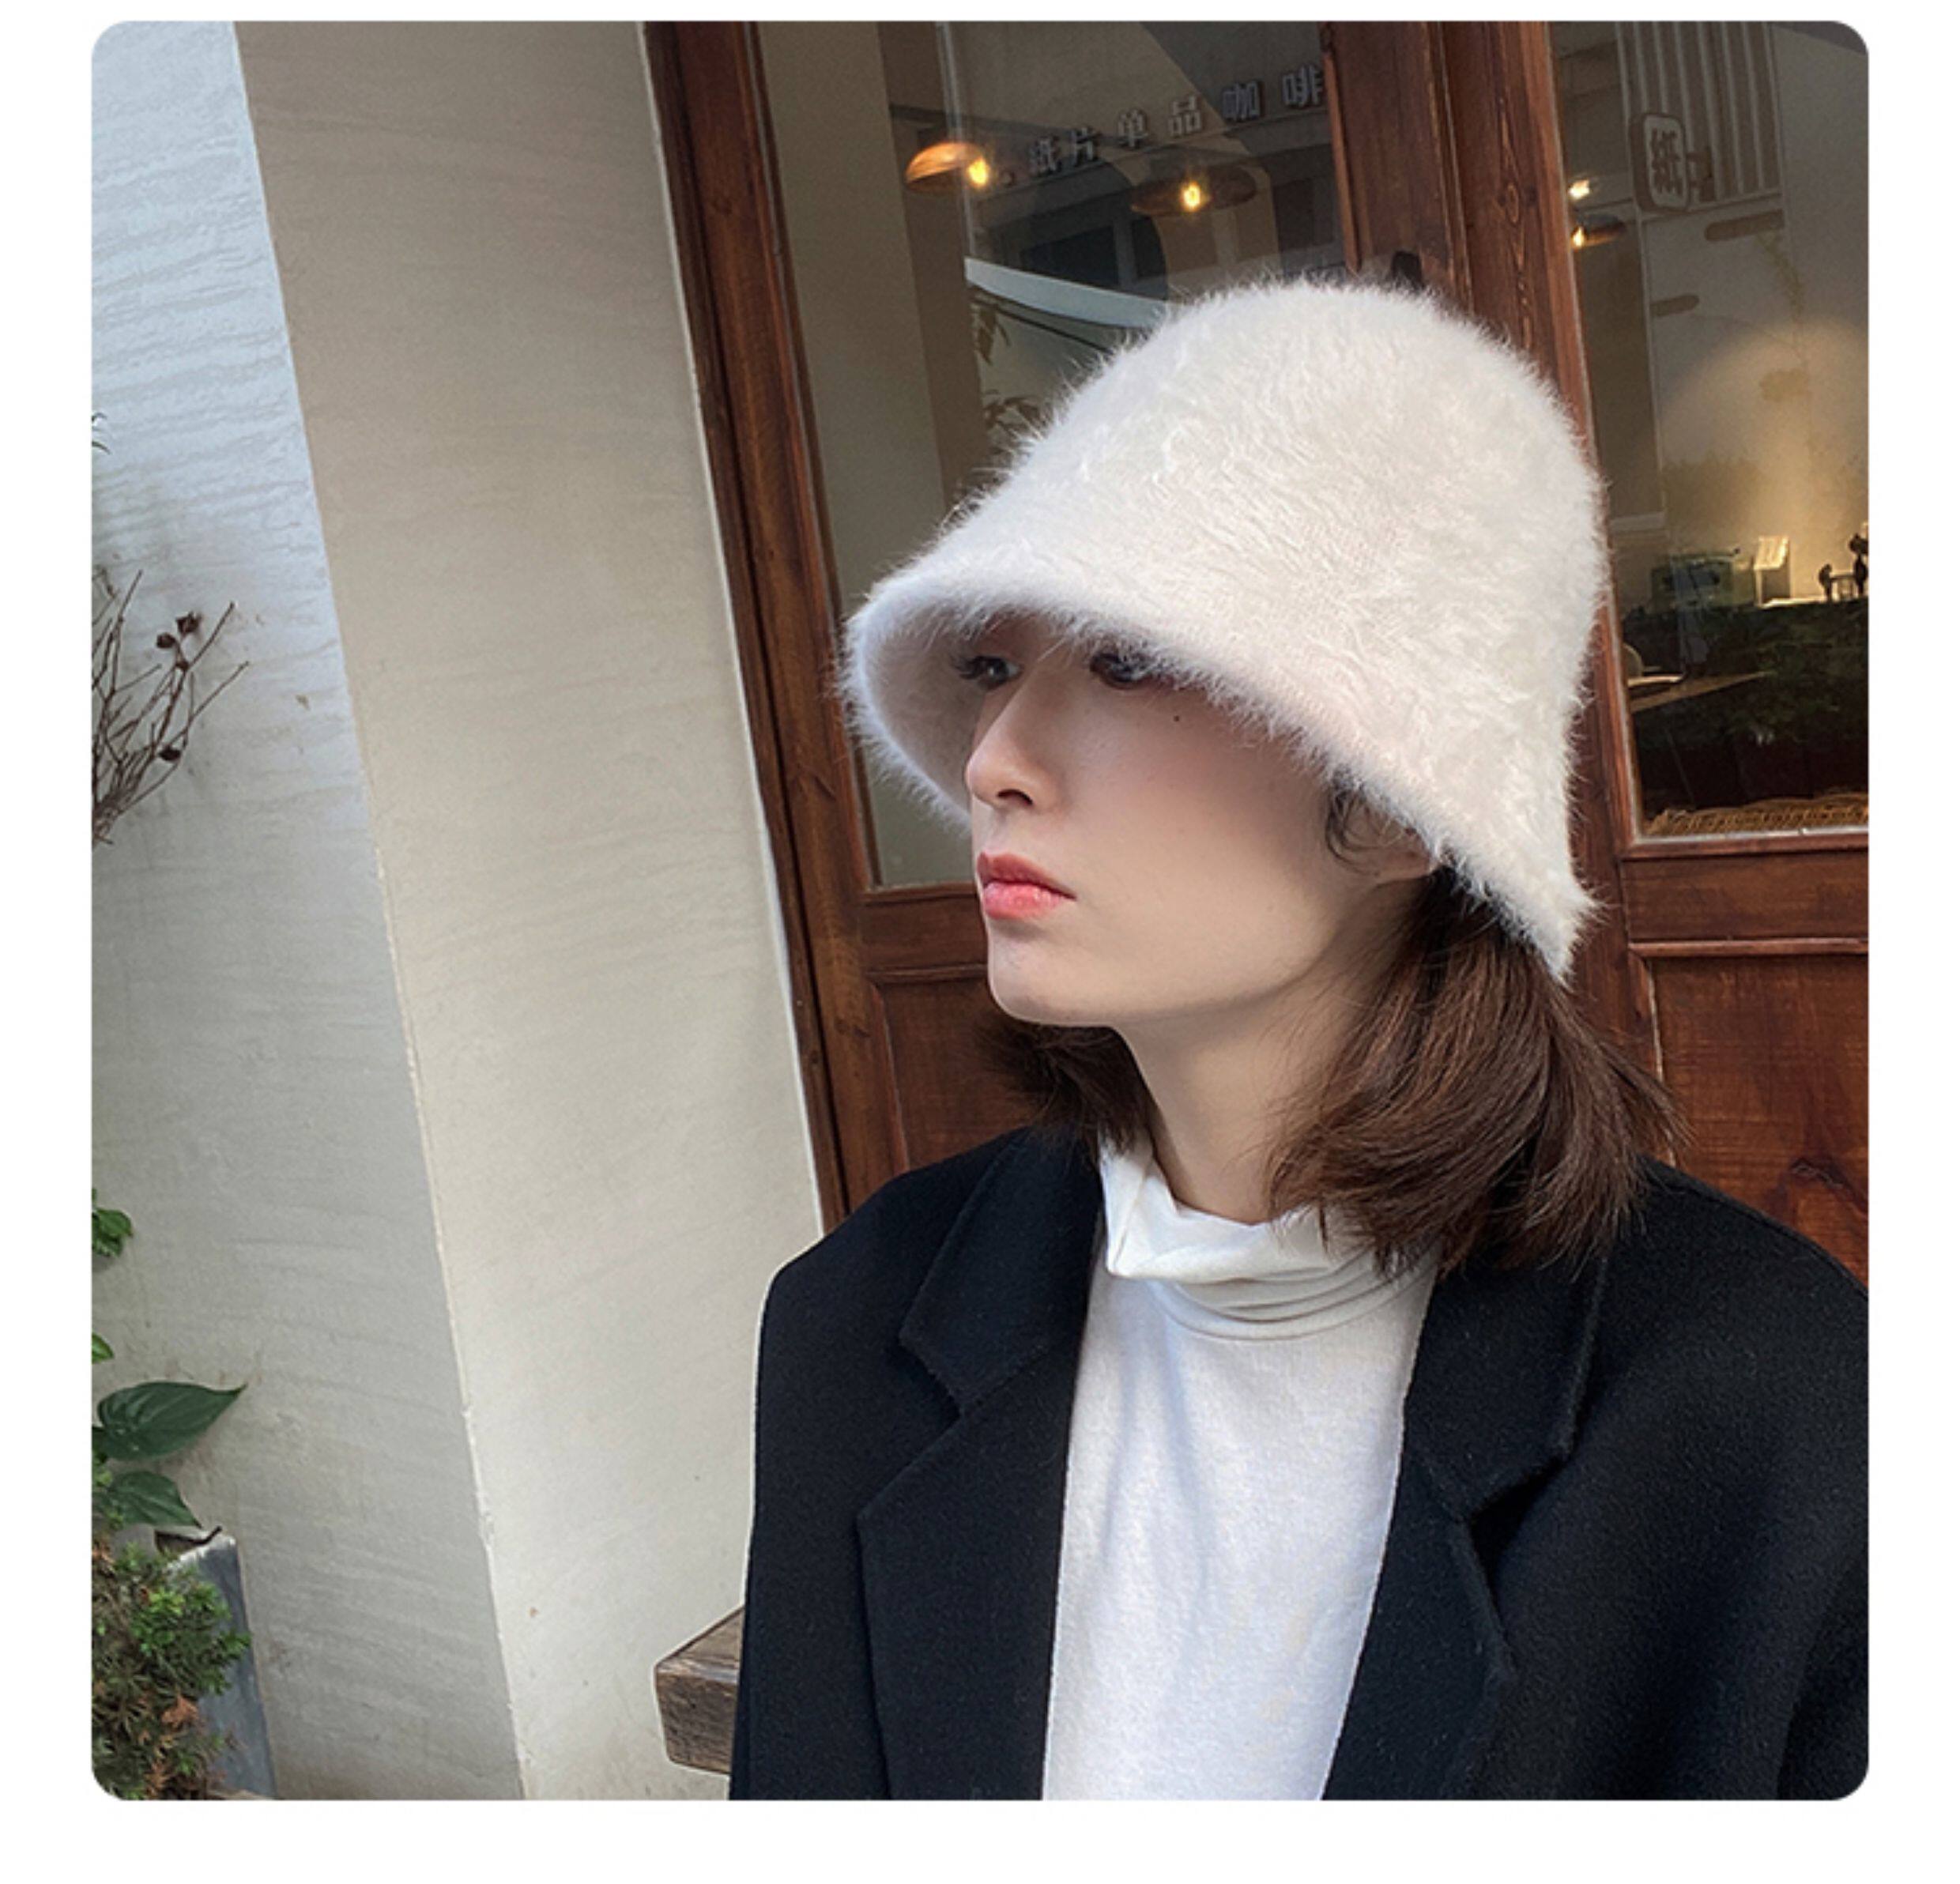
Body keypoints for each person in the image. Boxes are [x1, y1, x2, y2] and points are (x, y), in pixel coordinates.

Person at [727, 275, 1866, 1799]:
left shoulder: (1773, 1411)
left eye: (1129, 660)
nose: (994, 757)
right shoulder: (855, 1321)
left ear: (1399, 800)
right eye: (993, 667)